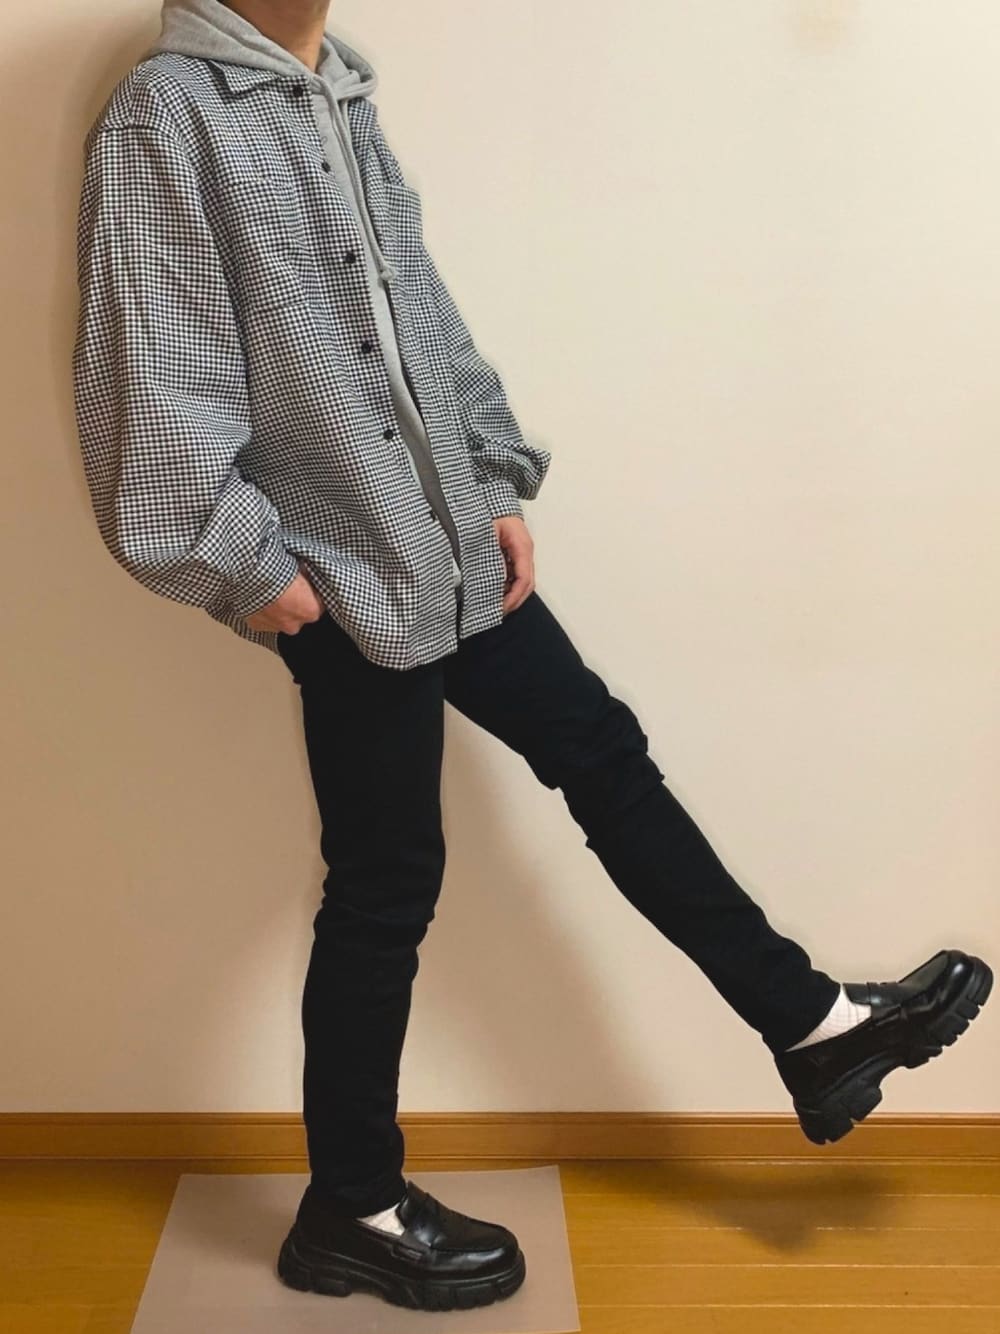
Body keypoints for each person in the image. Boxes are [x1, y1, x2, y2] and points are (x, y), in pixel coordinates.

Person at [71, 0, 993, 1314]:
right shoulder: (169, 118)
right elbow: (151, 373)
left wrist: (490, 472)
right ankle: (350, 1205)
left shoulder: (338, 90)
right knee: (387, 880)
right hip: (342, 574)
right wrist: (253, 571)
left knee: (599, 751)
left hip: (446, 538)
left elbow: (420, 315)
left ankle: (812, 1027)